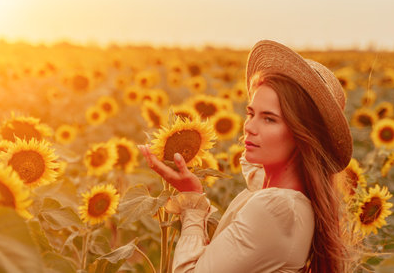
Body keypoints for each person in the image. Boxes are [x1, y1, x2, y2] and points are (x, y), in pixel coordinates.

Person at [138, 40, 354, 272]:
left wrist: (192, 203)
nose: (250, 126)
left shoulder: (276, 208)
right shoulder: (278, 192)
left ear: (303, 135)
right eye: (251, 113)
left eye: (269, 118)